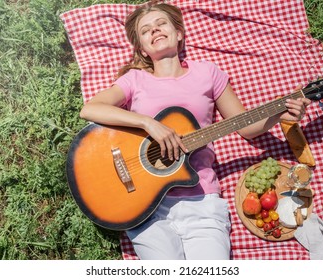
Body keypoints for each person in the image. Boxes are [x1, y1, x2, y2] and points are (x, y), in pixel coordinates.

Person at [79, 1, 311, 260]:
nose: (155, 30)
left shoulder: (207, 73)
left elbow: (245, 127)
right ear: (142, 50)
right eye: (146, 31)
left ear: (179, 34)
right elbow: (91, 109)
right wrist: (148, 123)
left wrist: (281, 112)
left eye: (161, 24)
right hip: (145, 205)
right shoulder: (135, 79)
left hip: (201, 200)